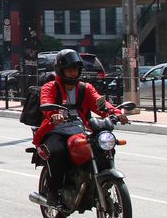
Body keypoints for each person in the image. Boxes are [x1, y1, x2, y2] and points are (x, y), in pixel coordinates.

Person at [32, 48, 127, 206]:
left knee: (103, 147)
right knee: (58, 152)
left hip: (79, 130)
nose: (73, 73)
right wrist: (53, 115)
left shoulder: (85, 88)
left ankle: (101, 183)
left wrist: (116, 113)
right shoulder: (50, 87)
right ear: (61, 70)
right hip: (54, 130)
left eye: (76, 69)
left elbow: (100, 104)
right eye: (69, 70)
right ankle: (53, 192)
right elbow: (45, 102)